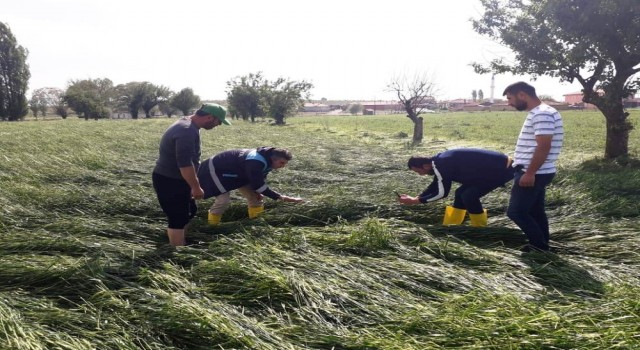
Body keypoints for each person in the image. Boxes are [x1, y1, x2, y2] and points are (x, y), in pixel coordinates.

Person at [152, 103, 230, 246]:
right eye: (218, 122)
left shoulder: (189, 124)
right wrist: (195, 187)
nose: (218, 125)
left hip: (179, 179)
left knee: (190, 210)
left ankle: (177, 237)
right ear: (209, 117)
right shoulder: (186, 131)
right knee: (178, 217)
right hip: (170, 180)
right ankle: (177, 251)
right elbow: (185, 164)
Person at [503, 82, 564, 252]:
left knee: (516, 212)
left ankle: (539, 246)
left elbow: (544, 146)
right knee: (535, 211)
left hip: (534, 172)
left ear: (522, 94)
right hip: (539, 170)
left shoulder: (542, 114)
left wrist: (529, 173)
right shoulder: (541, 112)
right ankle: (542, 244)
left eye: (510, 98)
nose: (509, 103)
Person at [397, 148, 515, 227]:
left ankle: (480, 229)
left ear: (426, 166)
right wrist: (419, 196)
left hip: (503, 170)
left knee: (469, 195)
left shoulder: (442, 164)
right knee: (460, 193)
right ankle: (452, 225)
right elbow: (437, 183)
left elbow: (442, 193)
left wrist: (415, 201)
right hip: (488, 171)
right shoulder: (439, 162)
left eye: (419, 171)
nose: (420, 175)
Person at [197, 146, 304, 225]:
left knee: (255, 198)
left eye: (285, 164)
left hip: (237, 173)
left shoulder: (268, 161)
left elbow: (259, 178)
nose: (283, 166)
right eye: (282, 163)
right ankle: (212, 226)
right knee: (223, 200)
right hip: (214, 171)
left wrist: (258, 192)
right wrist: (281, 197)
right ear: (273, 159)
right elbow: (257, 183)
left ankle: (256, 223)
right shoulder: (255, 161)